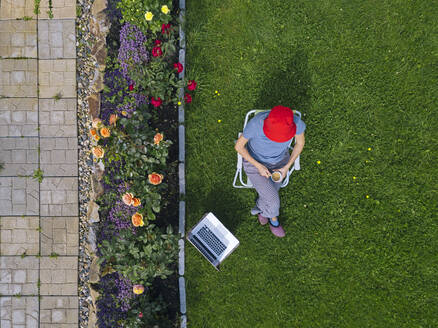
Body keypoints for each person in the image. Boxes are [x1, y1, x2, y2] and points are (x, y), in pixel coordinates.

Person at [234, 105, 306, 238]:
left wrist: (287, 166)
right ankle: (274, 221)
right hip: (254, 163)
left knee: (270, 195)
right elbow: (238, 146)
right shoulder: (256, 124)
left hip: (280, 163)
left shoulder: (296, 123)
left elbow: (300, 143)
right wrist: (259, 166)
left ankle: (261, 209)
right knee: (273, 200)